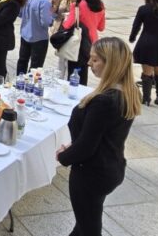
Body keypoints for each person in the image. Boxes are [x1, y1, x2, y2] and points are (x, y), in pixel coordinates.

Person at [56, 37, 141, 236]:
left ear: (111, 63)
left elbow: (87, 146)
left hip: (91, 173)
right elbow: (100, 135)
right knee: (86, 221)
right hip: (111, 165)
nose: (89, 64)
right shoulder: (129, 91)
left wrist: (63, 156)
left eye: (95, 60)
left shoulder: (104, 101)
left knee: (88, 227)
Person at [63, 0, 107, 86]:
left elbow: (67, 25)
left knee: (74, 72)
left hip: (78, 42)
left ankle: (73, 94)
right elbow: (101, 27)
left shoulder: (77, 5)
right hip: (93, 43)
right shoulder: (100, 5)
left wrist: (66, 18)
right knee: (84, 71)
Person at [17, 0, 58, 75]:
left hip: (25, 34)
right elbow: (46, 22)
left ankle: (19, 81)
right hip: (39, 38)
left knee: (22, 60)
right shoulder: (44, 1)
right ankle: (31, 85)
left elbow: (20, 13)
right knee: (36, 66)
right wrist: (53, 15)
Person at [51, 0, 80, 72]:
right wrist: (54, 2)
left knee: (71, 56)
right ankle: (60, 77)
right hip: (61, 29)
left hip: (74, 30)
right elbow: (54, 11)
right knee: (61, 56)